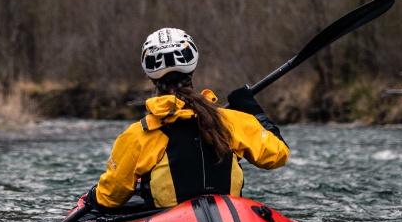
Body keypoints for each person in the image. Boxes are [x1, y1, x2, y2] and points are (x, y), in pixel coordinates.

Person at [83, 27, 288, 211]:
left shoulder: (140, 135)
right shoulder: (230, 122)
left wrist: (91, 197)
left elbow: (109, 198)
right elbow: (278, 154)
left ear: (151, 77)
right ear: (192, 68)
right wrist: (253, 110)